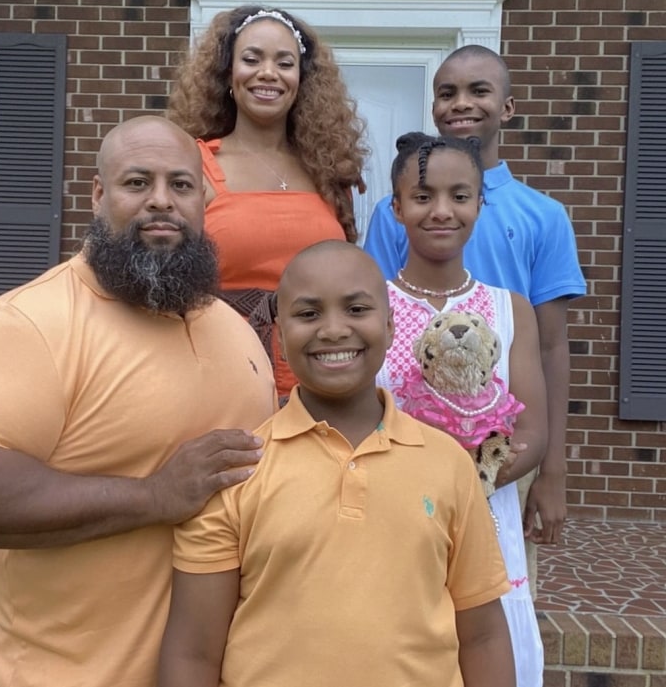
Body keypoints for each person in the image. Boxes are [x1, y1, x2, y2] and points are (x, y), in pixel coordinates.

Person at [0, 116, 277, 687]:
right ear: (99, 194)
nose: (161, 201)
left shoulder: (235, 330)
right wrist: (153, 496)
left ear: (203, 199)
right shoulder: (30, 324)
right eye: (137, 183)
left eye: (180, 184)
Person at [157, 240, 517, 687]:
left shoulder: (448, 465)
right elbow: (193, 651)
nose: (333, 330)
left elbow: (482, 636)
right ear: (280, 341)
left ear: (389, 327)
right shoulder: (236, 469)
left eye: (356, 310)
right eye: (308, 314)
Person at [363, 45, 586, 563]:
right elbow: (374, 324)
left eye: (478, 90)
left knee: (499, 591)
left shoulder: (543, 216)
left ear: (507, 107)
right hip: (405, 454)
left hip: (507, 453)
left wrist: (552, 469)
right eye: (447, 92)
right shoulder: (392, 213)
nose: (460, 103)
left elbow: (552, 349)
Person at [375, 134, 548, 687]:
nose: (442, 211)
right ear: (397, 207)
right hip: (393, 516)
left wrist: (465, 488)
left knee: (489, 653)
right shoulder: (371, 305)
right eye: (423, 197)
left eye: (460, 195)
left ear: (480, 204)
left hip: (485, 515)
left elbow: (534, 431)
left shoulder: (508, 308)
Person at [167, 5, 368, 399]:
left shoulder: (328, 173)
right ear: (228, 73)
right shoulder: (193, 164)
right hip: (220, 372)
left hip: (318, 376)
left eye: (284, 62)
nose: (268, 73)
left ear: (301, 79)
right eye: (251, 58)